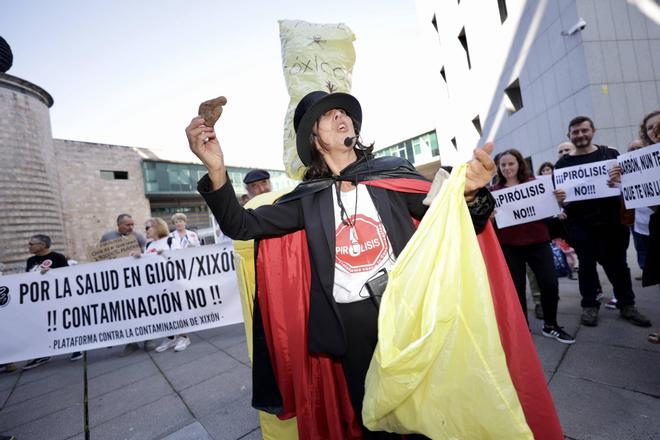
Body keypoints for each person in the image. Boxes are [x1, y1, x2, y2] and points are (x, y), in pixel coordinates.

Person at [186, 90, 496, 438]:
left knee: (431, 410)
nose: (340, 116)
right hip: (350, 328)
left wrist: (469, 194)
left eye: (342, 112)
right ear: (315, 139)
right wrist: (216, 169)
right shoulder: (308, 199)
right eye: (327, 115)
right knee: (373, 419)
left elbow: (450, 214)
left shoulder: (392, 175)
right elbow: (241, 225)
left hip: (407, 312)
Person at [554, 116, 651, 327]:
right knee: (587, 267)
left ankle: (627, 305)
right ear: (569, 136)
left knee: (619, 266)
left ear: (593, 131)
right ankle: (589, 306)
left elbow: (627, 184)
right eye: (575, 132)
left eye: (584, 130)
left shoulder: (610, 155)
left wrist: (619, 181)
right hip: (581, 225)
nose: (580, 135)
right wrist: (561, 200)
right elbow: (562, 200)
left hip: (612, 223)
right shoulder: (562, 164)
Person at [492, 150, 574, 343]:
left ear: (519, 164)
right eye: (503, 165)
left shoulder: (535, 184)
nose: (507, 168)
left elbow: (551, 209)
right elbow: (489, 222)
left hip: (538, 242)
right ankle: (522, 329)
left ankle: (551, 325)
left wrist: (559, 200)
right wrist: (491, 215)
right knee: (516, 288)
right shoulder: (494, 191)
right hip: (510, 246)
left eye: (511, 163)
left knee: (550, 283)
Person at [22, 235, 82, 369]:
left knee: (65, 322)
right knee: (41, 326)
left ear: (43, 245)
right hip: (39, 299)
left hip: (58, 298)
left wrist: (51, 273)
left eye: (32, 244)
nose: (29, 246)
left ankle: (76, 348)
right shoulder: (30, 260)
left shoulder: (57, 257)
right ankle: (43, 353)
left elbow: (67, 276)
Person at [154, 213, 199, 353]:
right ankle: (172, 336)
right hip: (171, 272)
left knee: (182, 303)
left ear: (185, 222)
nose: (179, 224)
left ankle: (183, 335)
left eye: (181, 221)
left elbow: (198, 250)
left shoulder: (192, 235)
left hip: (187, 268)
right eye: (176, 222)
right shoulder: (171, 237)